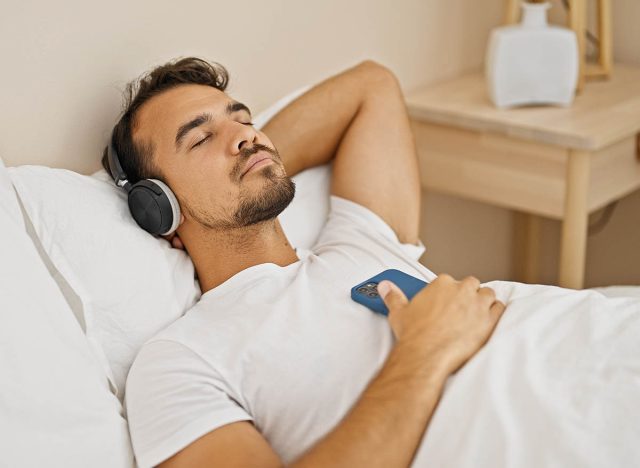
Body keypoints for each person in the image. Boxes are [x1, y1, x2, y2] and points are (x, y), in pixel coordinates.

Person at [110, 57, 506, 468]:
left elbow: (373, 85)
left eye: (243, 119)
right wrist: (426, 352)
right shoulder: (181, 361)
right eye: (200, 139)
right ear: (157, 207)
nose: (246, 135)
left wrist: (245, 161)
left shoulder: (360, 240)